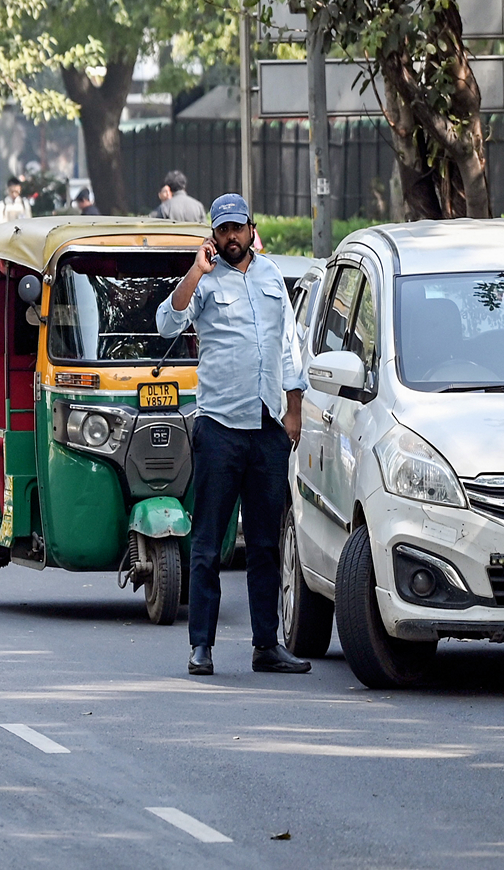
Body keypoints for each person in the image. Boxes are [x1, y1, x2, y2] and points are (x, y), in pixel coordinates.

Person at [156, 193, 310, 677]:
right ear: (214, 235)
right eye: (222, 231)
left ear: (250, 228)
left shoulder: (269, 278)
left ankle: (267, 645)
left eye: (237, 229)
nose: (230, 238)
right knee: (206, 543)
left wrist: (294, 409)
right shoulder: (203, 280)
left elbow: (289, 347)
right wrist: (195, 272)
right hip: (220, 425)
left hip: (267, 426)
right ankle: (201, 647)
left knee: (264, 543)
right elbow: (166, 323)